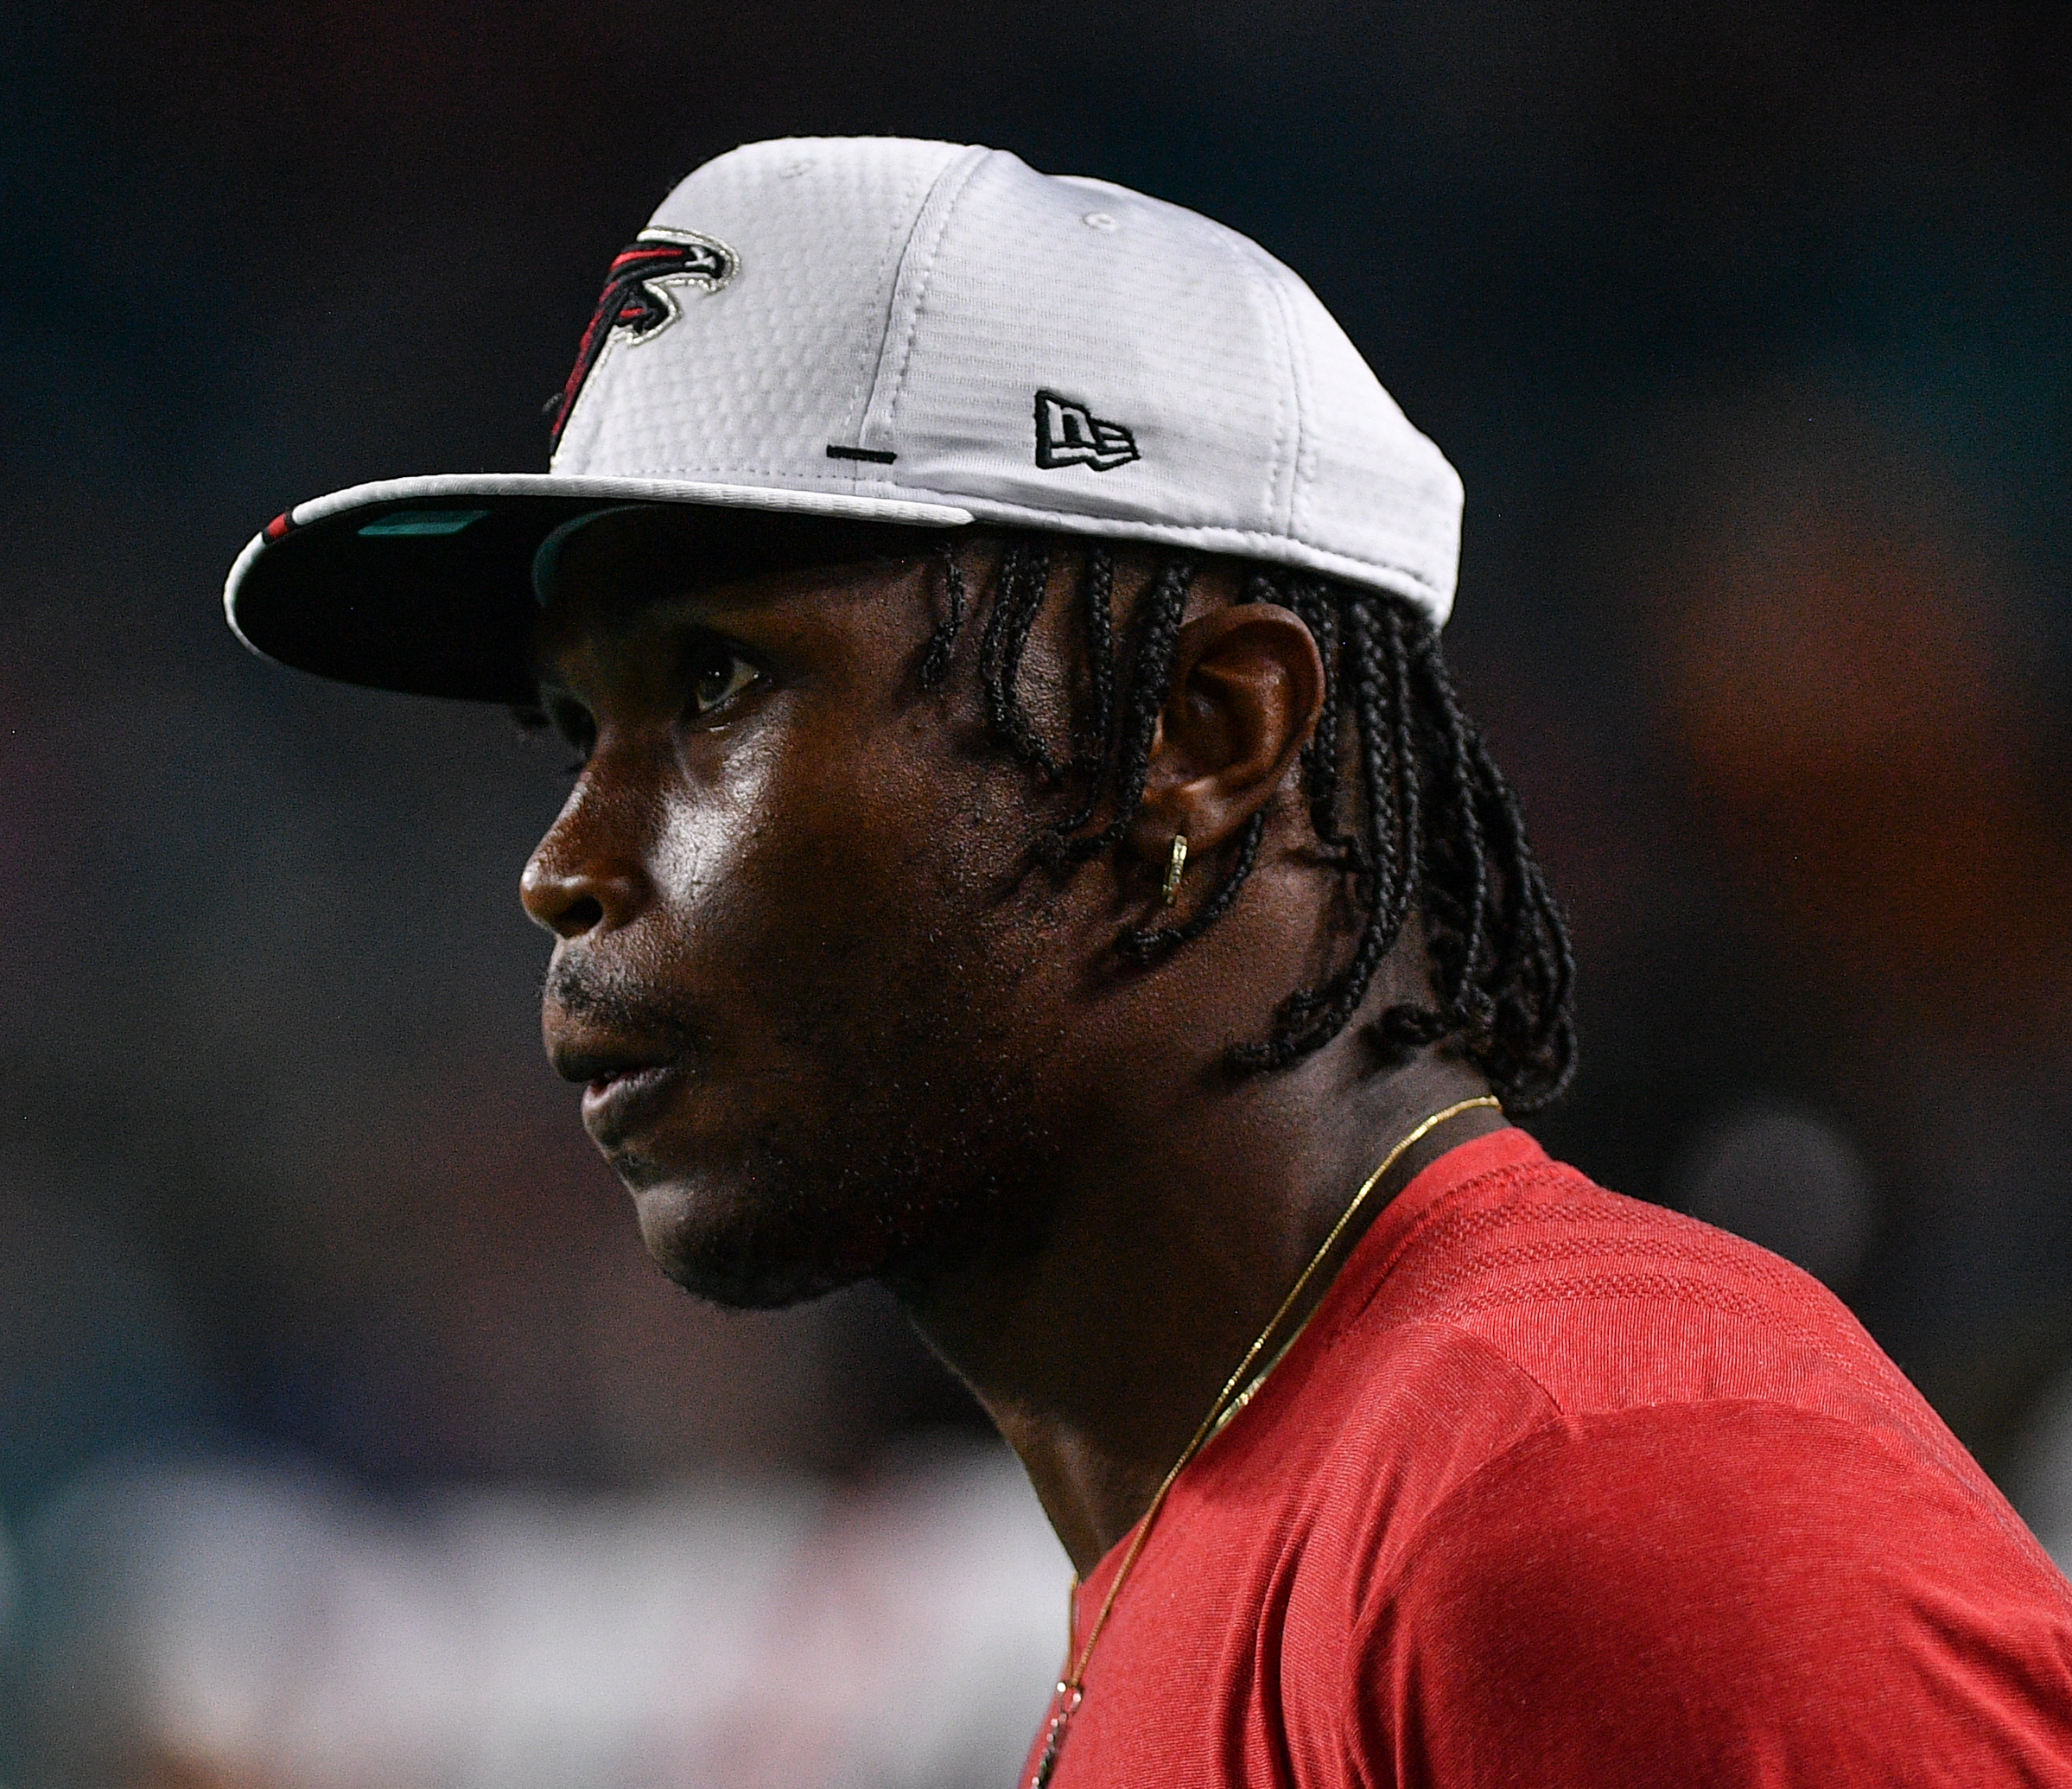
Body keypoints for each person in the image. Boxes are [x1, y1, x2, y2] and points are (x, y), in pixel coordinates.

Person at [224, 137, 2072, 1785]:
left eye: (717, 684)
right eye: (574, 729)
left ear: (1200, 730)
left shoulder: (1602, 1510)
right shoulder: (1258, 1529)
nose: (563, 864)